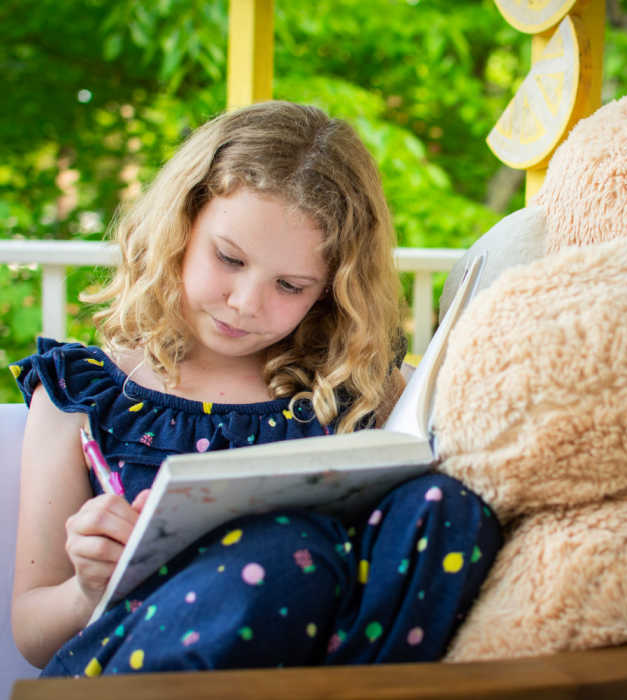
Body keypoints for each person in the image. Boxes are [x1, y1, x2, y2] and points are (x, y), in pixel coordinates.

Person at [10, 101, 501, 676]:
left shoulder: (356, 387)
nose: (246, 303)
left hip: (316, 670)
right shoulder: (86, 394)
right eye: (228, 258)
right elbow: (31, 633)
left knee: (451, 509)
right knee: (281, 552)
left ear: (328, 290)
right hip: (127, 673)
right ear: (181, 227)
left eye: (289, 285)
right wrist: (87, 589)